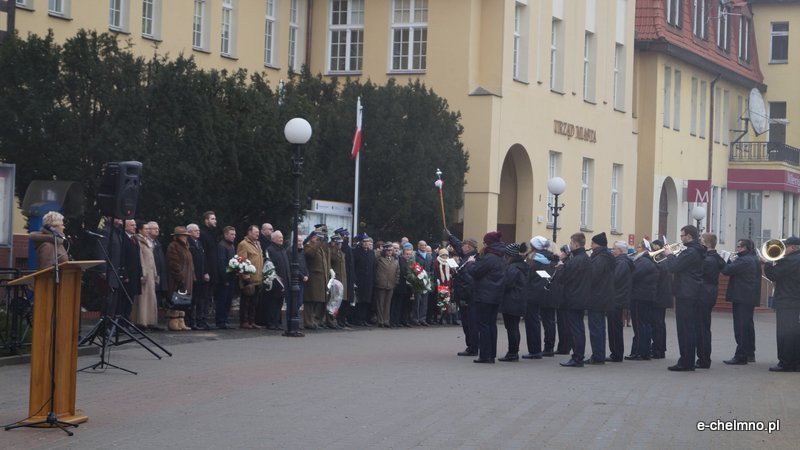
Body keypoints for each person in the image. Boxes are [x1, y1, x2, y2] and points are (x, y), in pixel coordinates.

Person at [663, 225, 705, 371]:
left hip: (686, 293)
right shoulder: (694, 250)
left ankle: (686, 362)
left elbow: (673, 267)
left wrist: (669, 254)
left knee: (685, 329)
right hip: (690, 292)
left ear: (689, 236)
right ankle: (687, 360)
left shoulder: (691, 252)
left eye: (682, 236)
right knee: (688, 328)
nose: (680, 238)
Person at [467, 231, 506, 364]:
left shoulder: (489, 257)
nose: (483, 245)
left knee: (483, 325)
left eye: (484, 242)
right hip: (496, 295)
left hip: (484, 295)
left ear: (488, 243)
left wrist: (471, 263)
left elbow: (476, 272)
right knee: (491, 325)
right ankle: (491, 354)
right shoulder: (501, 256)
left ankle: (485, 355)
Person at [721, 238, 761, 365]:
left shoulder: (744, 260)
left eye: (738, 246)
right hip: (749, 297)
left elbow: (726, 270)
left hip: (742, 297)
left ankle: (741, 356)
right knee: (748, 326)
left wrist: (725, 259)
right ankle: (749, 354)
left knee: (741, 328)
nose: (737, 248)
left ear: (744, 248)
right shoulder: (754, 258)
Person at [763, 236, 800, 372]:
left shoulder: (790, 261)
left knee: (784, 333)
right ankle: (795, 362)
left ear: (793, 248)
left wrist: (767, 263)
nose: (783, 249)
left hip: (786, 301)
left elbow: (773, 275)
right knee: (794, 332)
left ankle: (786, 363)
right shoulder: (794, 260)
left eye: (786, 247)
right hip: (795, 300)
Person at [559, 233, 591, 368]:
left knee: (575, 329)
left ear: (576, 244)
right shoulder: (586, 258)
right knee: (579, 328)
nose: (570, 245)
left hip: (573, 297)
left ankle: (577, 357)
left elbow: (563, 278)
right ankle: (578, 356)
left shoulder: (575, 260)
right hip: (582, 296)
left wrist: (561, 266)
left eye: (571, 243)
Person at [523, 236, 556, 359]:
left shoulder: (534, 259)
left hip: (533, 293)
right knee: (549, 321)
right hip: (548, 292)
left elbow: (528, 276)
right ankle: (549, 348)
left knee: (532, 322)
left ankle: (534, 350)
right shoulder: (551, 258)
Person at [447, 231, 479, 356]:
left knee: (470, 323)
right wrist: (450, 237)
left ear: (469, 247)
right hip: (467, 296)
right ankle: (471, 345)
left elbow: (468, 281)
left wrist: (464, 296)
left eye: (463, 246)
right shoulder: (469, 256)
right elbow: (457, 245)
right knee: (468, 323)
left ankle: (472, 347)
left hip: (468, 297)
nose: (461, 247)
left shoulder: (471, 260)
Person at [697, 233, 725, 368]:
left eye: (701, 241)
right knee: (704, 327)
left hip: (703, 295)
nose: (699, 243)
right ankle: (704, 358)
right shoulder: (716, 257)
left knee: (702, 329)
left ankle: (703, 359)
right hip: (709, 293)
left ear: (706, 244)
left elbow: (698, 274)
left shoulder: (708, 260)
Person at [587, 232, 615, 365]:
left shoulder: (600, 258)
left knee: (596, 328)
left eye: (592, 243)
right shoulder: (606, 257)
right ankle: (599, 354)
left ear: (597, 244)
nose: (591, 245)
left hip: (597, 297)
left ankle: (598, 356)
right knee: (599, 327)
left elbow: (593, 276)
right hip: (603, 296)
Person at [627, 240, 658, 361]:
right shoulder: (648, 261)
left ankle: (639, 352)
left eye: (639, 247)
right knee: (645, 324)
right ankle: (644, 351)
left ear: (644, 249)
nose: (636, 249)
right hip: (646, 296)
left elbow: (633, 276)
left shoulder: (643, 261)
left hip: (639, 297)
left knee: (639, 325)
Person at [498, 243, 529, 362]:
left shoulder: (512, 268)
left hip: (511, 300)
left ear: (510, 256)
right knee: (514, 327)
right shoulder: (523, 266)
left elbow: (507, 284)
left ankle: (512, 352)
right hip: (519, 300)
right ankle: (513, 351)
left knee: (511, 328)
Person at [131, 221, 161, 330]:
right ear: (140, 230)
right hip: (145, 273)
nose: (148, 231)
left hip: (151, 273)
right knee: (143, 299)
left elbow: (152, 260)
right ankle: (141, 321)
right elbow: (140, 259)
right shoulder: (138, 241)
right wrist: (142, 273)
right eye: (146, 229)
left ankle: (150, 321)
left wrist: (155, 274)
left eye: (149, 229)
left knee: (151, 298)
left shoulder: (148, 241)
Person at [607, 241, 633, 362]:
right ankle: (616, 353)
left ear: (621, 251)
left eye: (614, 249)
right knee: (614, 327)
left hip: (617, 298)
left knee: (615, 328)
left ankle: (616, 353)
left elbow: (615, 278)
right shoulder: (621, 261)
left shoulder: (622, 263)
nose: (612, 251)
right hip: (618, 297)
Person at [304, 225, 333, 329]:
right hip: (313, 279)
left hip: (320, 279)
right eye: (317, 237)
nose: (319, 239)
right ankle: (308, 322)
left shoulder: (320, 248)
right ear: (312, 237)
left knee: (317, 301)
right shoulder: (308, 246)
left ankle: (314, 321)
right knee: (309, 301)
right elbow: (310, 254)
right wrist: (318, 242)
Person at [165, 226, 194, 331]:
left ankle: (181, 321)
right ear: (178, 236)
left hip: (187, 277)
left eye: (186, 235)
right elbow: (174, 263)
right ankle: (173, 321)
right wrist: (179, 276)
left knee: (183, 300)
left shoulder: (186, 247)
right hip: (177, 278)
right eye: (183, 235)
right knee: (176, 299)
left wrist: (192, 276)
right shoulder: (173, 246)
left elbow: (190, 263)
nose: (185, 237)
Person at [650, 239, 673, 359]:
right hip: (663, 296)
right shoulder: (664, 261)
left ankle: (658, 349)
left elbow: (656, 279)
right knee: (659, 324)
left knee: (657, 324)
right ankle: (660, 348)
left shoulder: (661, 262)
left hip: (659, 296)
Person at [237, 225, 264, 329]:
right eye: (255, 232)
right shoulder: (243, 244)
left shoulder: (258, 244)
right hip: (248, 279)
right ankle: (244, 321)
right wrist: (246, 277)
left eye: (258, 232)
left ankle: (252, 321)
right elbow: (241, 261)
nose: (257, 234)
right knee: (246, 302)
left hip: (257, 278)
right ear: (249, 232)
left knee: (254, 302)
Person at [265, 230, 290, 330]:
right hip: (275, 281)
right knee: (273, 303)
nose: (281, 239)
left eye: (282, 237)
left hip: (284, 282)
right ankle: (271, 322)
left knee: (279, 303)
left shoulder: (282, 250)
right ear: (273, 238)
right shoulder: (270, 250)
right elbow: (269, 266)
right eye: (279, 237)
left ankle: (277, 322)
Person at [187, 223, 210, 330]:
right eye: (195, 230)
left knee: (200, 299)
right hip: (192, 276)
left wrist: (205, 272)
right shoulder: (188, 243)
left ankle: (200, 320)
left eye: (198, 230)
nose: (198, 232)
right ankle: (190, 321)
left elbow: (203, 259)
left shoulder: (199, 243)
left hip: (201, 275)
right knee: (192, 300)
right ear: (189, 232)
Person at [120, 218, 143, 321]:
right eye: (132, 225)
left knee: (131, 299)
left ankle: (127, 320)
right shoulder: (122, 238)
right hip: (127, 275)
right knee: (124, 300)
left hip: (135, 274)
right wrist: (124, 274)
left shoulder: (134, 239)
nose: (135, 227)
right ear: (125, 226)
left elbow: (138, 258)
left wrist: (140, 273)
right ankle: (123, 321)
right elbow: (122, 258)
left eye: (135, 225)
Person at [215, 226, 237, 329]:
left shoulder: (231, 246)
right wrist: (225, 279)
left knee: (228, 300)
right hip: (224, 278)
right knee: (222, 300)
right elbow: (221, 263)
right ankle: (220, 321)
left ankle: (225, 319)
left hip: (231, 277)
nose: (234, 236)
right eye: (231, 234)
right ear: (225, 235)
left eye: (234, 234)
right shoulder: (222, 245)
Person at [199, 211, 219, 320]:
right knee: (204, 296)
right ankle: (201, 319)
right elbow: (204, 254)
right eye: (212, 219)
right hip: (207, 271)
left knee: (208, 297)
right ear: (206, 220)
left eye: (215, 219)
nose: (215, 221)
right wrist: (205, 271)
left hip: (213, 271)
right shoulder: (203, 234)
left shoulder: (212, 234)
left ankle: (205, 319)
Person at [374, 243, 400, 328]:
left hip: (391, 284)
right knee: (380, 303)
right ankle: (380, 320)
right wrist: (377, 280)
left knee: (387, 304)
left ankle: (386, 320)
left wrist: (396, 282)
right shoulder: (380, 259)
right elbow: (375, 267)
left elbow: (397, 272)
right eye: (388, 250)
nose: (390, 252)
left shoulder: (395, 260)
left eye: (391, 250)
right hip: (381, 284)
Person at [353, 235, 375, 326]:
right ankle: (357, 319)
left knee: (366, 300)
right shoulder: (356, 252)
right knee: (359, 300)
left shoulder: (371, 252)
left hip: (368, 280)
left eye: (368, 241)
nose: (366, 243)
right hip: (360, 280)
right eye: (364, 242)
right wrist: (355, 279)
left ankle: (363, 318)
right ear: (361, 242)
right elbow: (354, 266)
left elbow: (372, 267)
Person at [147, 221, 169, 309]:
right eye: (154, 229)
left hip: (160, 275)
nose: (157, 230)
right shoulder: (147, 242)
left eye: (158, 229)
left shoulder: (158, 242)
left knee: (158, 298)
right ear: (148, 230)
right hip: (151, 274)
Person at [433, 248, 457, 325]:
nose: (445, 256)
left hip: (448, 284)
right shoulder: (436, 262)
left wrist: (453, 268)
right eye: (443, 255)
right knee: (442, 302)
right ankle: (441, 318)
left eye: (446, 255)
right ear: (440, 255)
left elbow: (453, 273)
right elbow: (435, 272)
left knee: (447, 302)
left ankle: (446, 317)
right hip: (441, 284)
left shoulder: (449, 262)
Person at [412, 240, 433, 326]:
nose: (423, 247)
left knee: (424, 301)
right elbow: (413, 267)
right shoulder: (415, 255)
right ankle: (415, 319)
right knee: (417, 300)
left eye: (425, 245)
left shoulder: (429, 256)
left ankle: (422, 318)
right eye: (422, 245)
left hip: (426, 281)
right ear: (418, 246)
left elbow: (432, 269)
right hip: (418, 281)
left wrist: (430, 277)